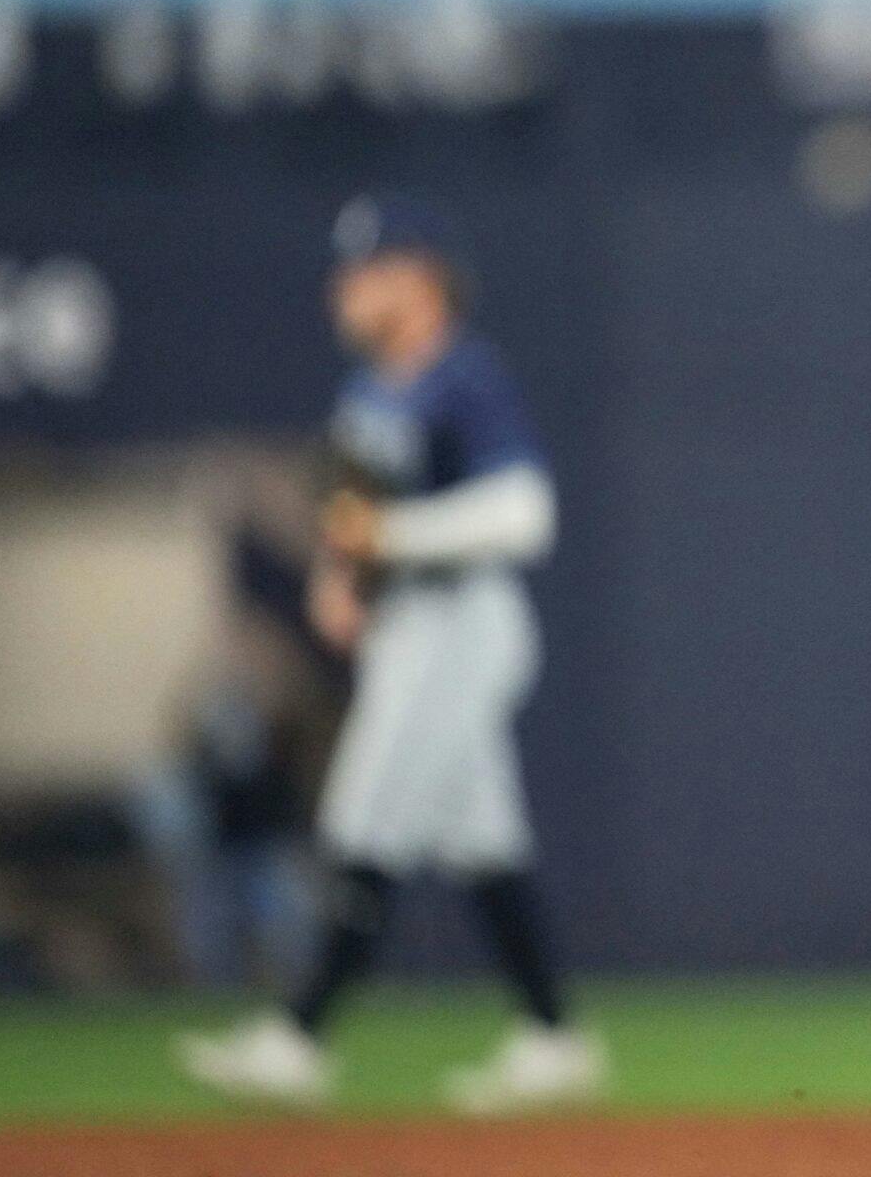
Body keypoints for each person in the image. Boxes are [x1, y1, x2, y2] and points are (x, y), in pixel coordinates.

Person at [177, 195, 605, 1113]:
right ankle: (554, 1038)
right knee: (486, 841)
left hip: (464, 624)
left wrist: (389, 540)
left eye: (364, 271)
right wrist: (346, 578)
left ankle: (299, 1039)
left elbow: (526, 514)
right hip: (411, 625)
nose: (345, 288)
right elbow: (354, 521)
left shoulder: (465, 378)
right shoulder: (370, 391)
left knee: (365, 819)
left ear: (417, 277)